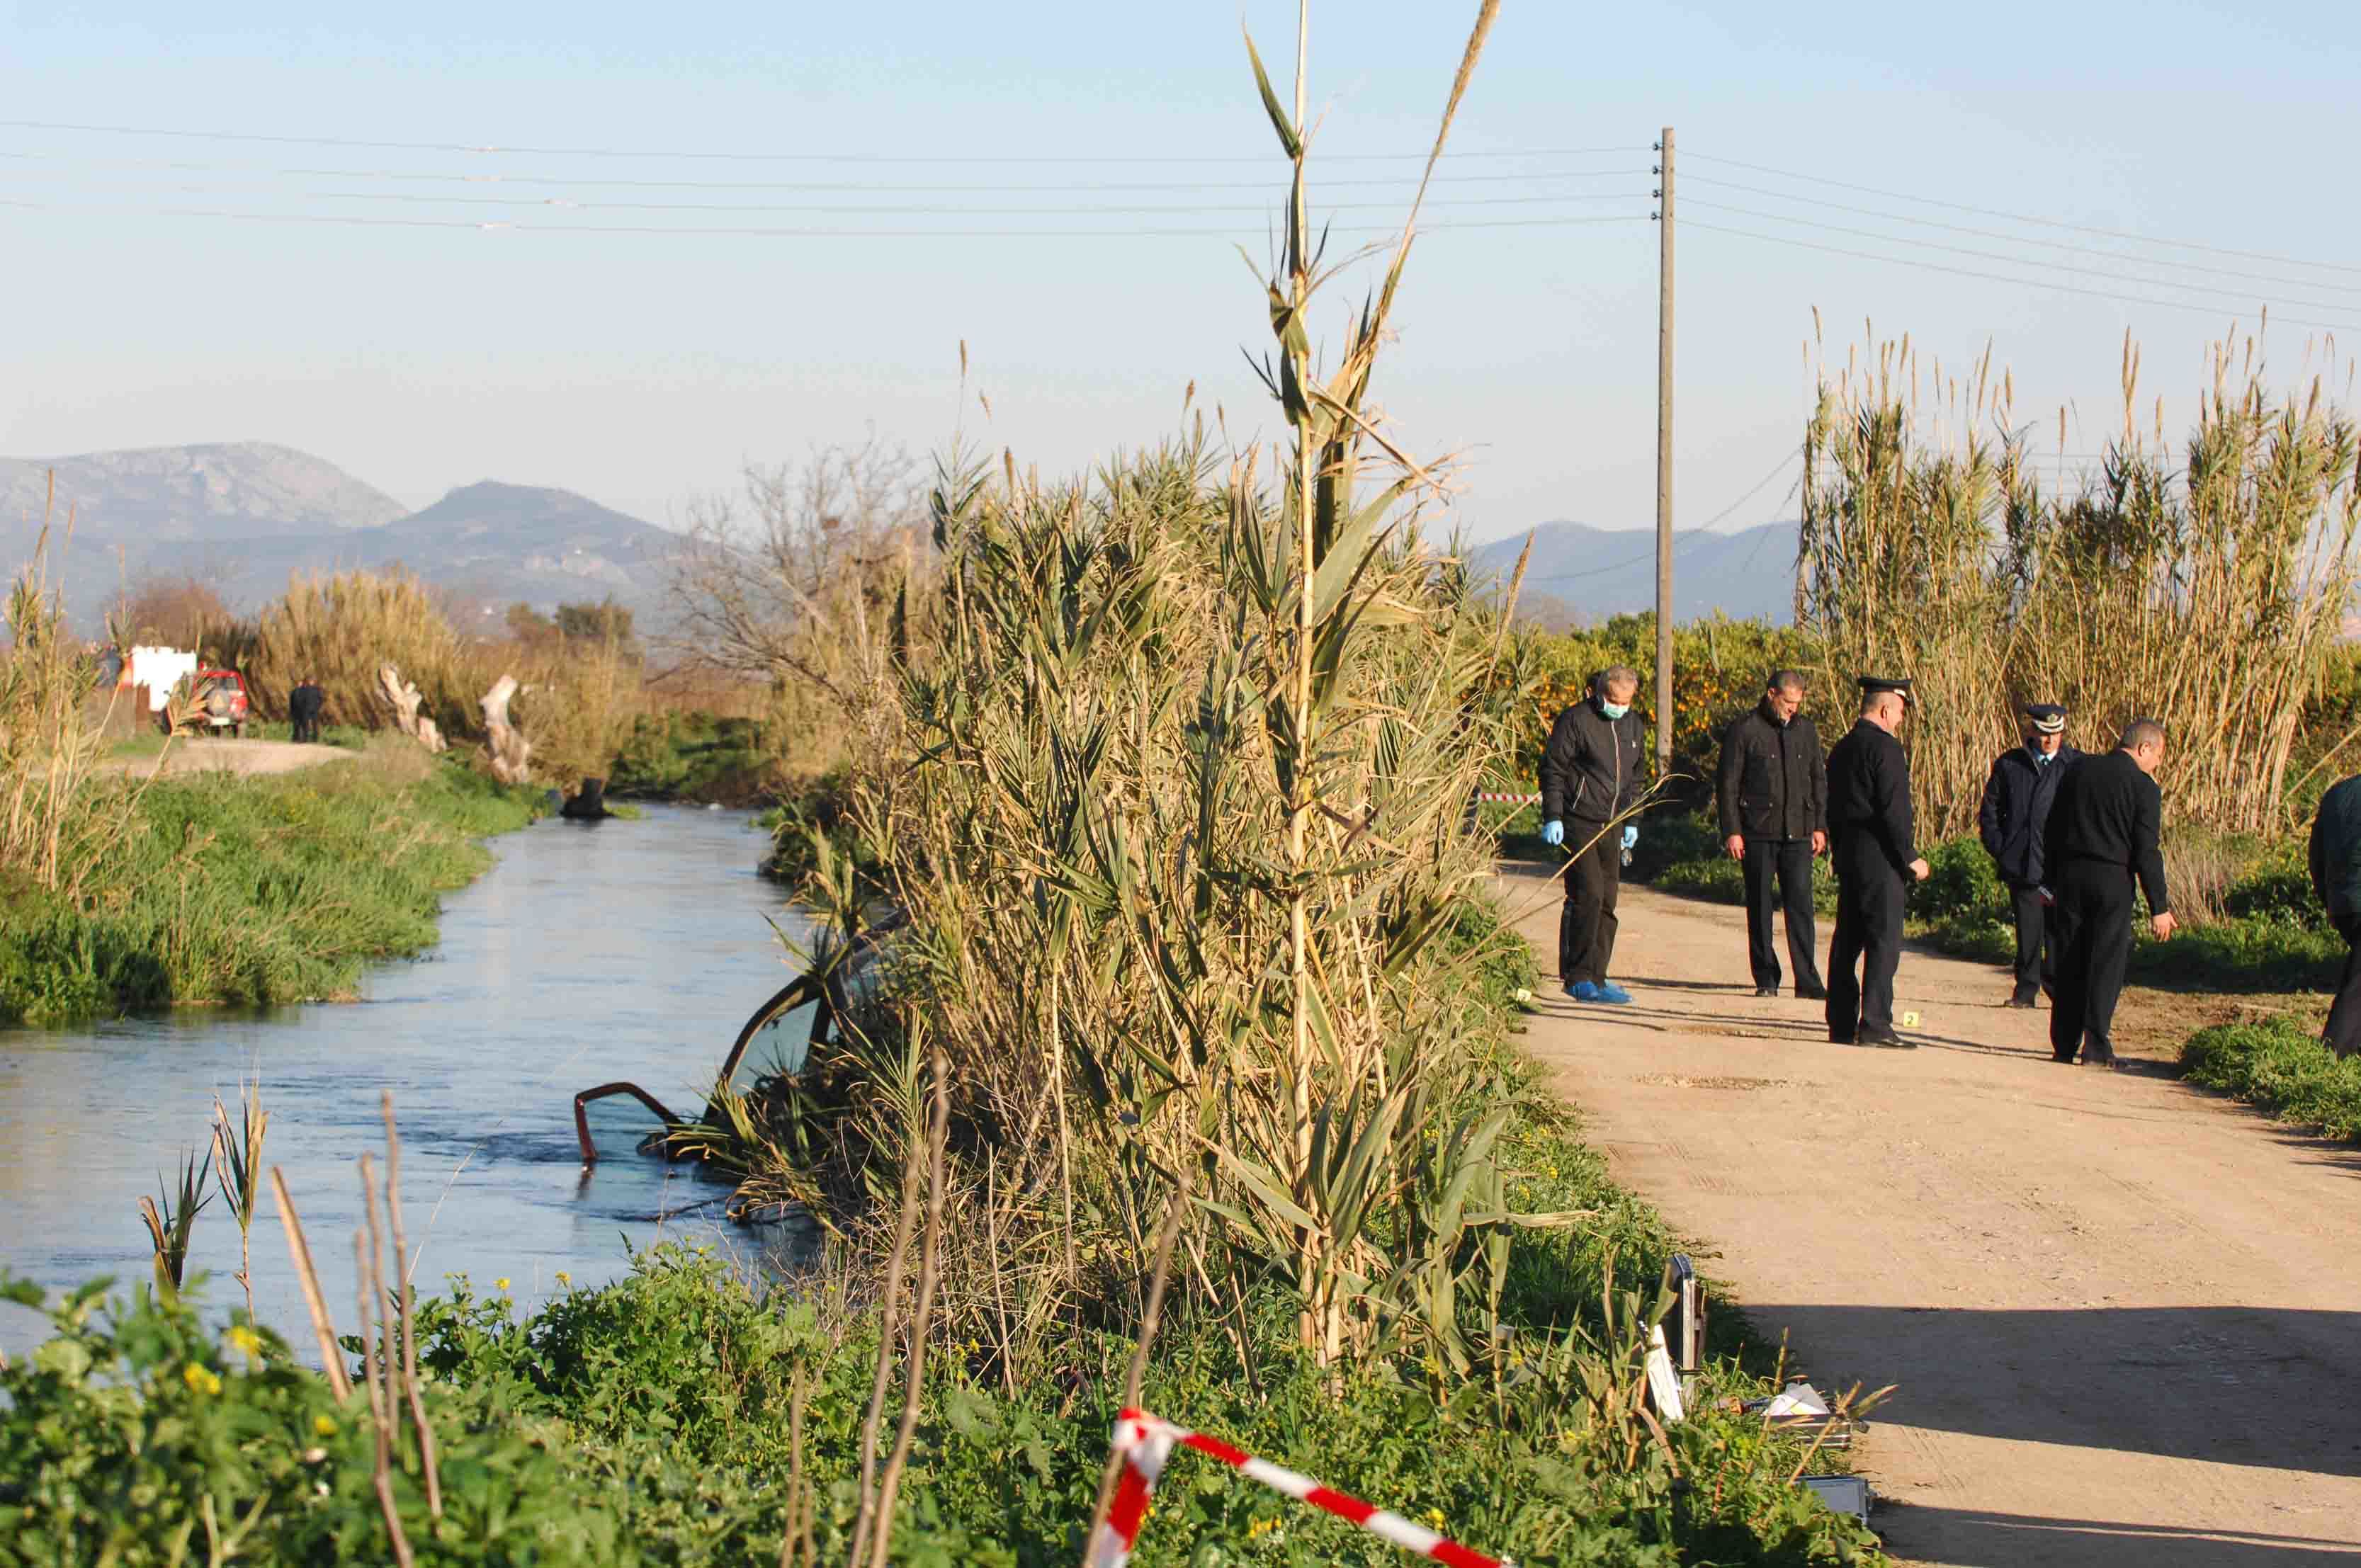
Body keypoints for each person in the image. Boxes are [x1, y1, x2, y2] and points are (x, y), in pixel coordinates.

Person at [2044, 718, 2176, 1067]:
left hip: (2071, 876)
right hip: (2113, 880)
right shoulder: (2144, 786)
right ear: (2143, 748)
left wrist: (2049, 879)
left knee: (2070, 958)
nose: (2158, 762)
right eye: (2159, 754)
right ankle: (2096, 1046)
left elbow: (2053, 827)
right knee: (2105, 963)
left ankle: (2063, 1044)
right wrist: (2158, 906)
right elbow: (2146, 849)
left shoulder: (2077, 770)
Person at [1824, 677, 1930, 1047]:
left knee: (1847, 942)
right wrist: (1910, 857)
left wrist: (1838, 852)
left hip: (1850, 855)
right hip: (1881, 857)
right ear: (1886, 710)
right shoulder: (1885, 749)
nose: (1901, 720)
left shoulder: (1842, 748)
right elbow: (1893, 811)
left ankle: (1840, 1022)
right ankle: (1875, 1023)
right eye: (1900, 712)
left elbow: (1831, 807)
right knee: (1884, 942)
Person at [1716, 669, 1829, 999]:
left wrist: (1821, 825)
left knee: (1801, 907)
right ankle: (1766, 977)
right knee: (1760, 906)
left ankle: (1807, 980)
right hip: (1757, 832)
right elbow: (1727, 785)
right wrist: (1732, 831)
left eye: (1798, 703)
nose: (1793, 708)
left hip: (1799, 832)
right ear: (1771, 694)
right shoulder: (1744, 730)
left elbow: (1818, 780)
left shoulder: (1806, 730)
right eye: (1788, 701)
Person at [1539, 665, 1648, 1004]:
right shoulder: (1576, 721)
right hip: (1578, 819)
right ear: (1601, 693)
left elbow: (1636, 777)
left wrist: (1633, 820)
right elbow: (1553, 768)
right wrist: (1553, 816)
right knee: (1588, 894)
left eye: (1626, 702)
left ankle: (1598, 976)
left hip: (1613, 822)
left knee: (1608, 901)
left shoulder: (1633, 725)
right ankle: (1577, 976)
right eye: (1614, 700)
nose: (1619, 707)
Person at [1977, 703, 2081, 1008]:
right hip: (2022, 863)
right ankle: (2026, 990)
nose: (2050, 740)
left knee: (2059, 933)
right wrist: (2003, 849)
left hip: (2061, 866)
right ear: (2031, 731)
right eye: (2044, 733)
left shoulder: (2075, 764)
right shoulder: (2011, 764)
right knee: (2028, 931)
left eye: (2056, 733)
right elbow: (1990, 811)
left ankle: (2060, 991)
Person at [2310, 771, 2361, 1059]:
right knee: (2357, 987)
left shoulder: (2338, 794)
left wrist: (2329, 898)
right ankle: (2332, 1056)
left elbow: (2316, 854)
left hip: (2342, 904)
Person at [290, 676, 326, 744]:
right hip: (313, 709)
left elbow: (302, 700)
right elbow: (321, 700)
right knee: (312, 724)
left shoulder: (306, 689)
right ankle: (313, 739)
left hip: (308, 709)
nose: (310, 682)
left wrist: (303, 707)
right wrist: (318, 707)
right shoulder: (317, 690)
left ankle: (307, 739)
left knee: (308, 724)